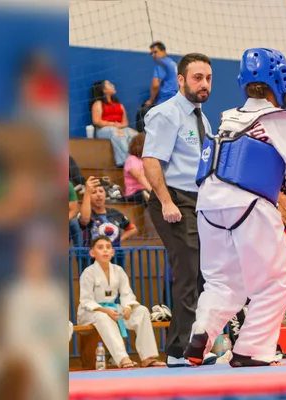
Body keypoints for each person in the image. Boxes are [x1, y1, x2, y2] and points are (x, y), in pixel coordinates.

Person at [184, 47, 286, 367]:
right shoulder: (278, 119)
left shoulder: (228, 116)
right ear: (282, 81)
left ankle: (201, 333)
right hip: (248, 202)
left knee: (223, 281)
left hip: (207, 204)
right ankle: (253, 348)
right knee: (279, 277)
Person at [142, 52, 214, 367]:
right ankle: (179, 350)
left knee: (201, 274)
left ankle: (186, 348)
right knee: (187, 271)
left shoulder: (202, 117)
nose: (204, 84)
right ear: (181, 79)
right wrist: (166, 201)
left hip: (199, 200)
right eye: (198, 78)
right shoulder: (166, 114)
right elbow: (151, 160)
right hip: (172, 199)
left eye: (209, 78)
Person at [77, 236, 166, 368]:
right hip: (91, 312)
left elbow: (126, 294)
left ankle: (148, 357)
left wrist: (128, 308)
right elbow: (86, 300)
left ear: (113, 252)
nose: (105, 251)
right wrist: (105, 310)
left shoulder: (118, 270)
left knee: (141, 311)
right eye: (100, 248)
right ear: (92, 253)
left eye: (108, 247)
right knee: (103, 317)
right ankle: (122, 358)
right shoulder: (88, 272)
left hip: (113, 309)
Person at [145, 41, 179, 106]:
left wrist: (151, 100)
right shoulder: (173, 64)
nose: (153, 55)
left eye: (155, 52)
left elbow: (155, 85)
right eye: (151, 53)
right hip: (176, 101)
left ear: (164, 51)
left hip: (165, 101)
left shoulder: (161, 64)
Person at [122, 133, 152, 204]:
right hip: (134, 193)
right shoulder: (131, 159)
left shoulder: (146, 160)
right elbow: (139, 177)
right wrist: (152, 191)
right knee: (145, 194)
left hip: (146, 190)